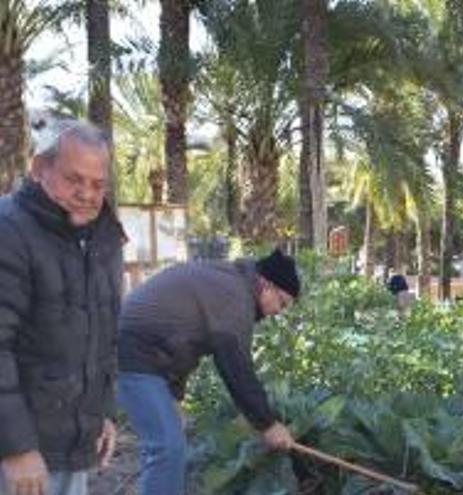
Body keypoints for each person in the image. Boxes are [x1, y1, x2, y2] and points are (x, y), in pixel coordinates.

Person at [0, 120, 125, 495]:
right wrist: (17, 448)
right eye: (74, 179)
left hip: (69, 443)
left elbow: (103, 334)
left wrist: (101, 413)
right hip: (19, 454)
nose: (87, 193)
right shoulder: (9, 230)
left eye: (98, 184)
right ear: (40, 169)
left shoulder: (103, 236)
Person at [117, 248, 301, 495]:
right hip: (134, 351)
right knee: (167, 448)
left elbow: (183, 338)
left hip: (148, 354)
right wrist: (268, 424)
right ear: (266, 285)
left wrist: (174, 397)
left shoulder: (231, 283)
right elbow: (236, 366)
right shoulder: (235, 295)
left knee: (168, 442)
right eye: (282, 302)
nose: (279, 312)